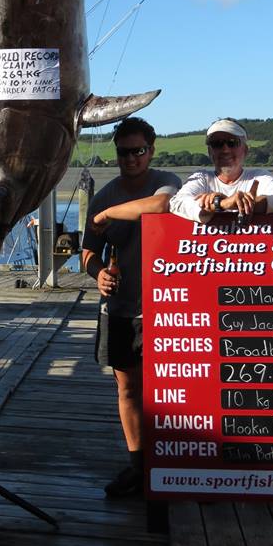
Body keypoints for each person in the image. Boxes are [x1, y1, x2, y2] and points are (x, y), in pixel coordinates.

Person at [81, 118, 181, 498]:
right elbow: (88, 250)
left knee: (169, 388)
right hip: (120, 308)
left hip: (166, 307)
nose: (131, 158)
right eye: (124, 152)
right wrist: (97, 273)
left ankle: (169, 464)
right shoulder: (103, 194)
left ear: (151, 151)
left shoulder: (166, 180)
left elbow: (162, 205)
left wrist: (109, 216)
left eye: (138, 151)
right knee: (127, 389)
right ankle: (137, 465)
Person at [170, 118, 273, 222]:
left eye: (232, 143)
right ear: (209, 151)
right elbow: (176, 203)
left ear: (245, 150)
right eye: (217, 143)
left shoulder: (260, 177)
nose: (225, 150)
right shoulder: (201, 178)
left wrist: (248, 203)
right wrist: (221, 204)